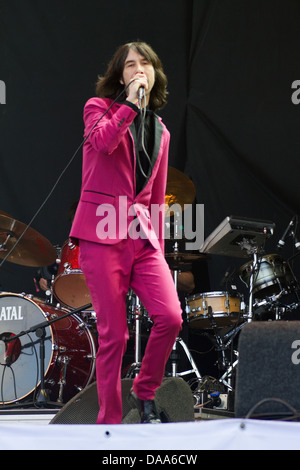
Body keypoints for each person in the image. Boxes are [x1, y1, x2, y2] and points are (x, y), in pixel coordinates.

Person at [69, 41, 183, 424]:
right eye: (130, 65)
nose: (138, 70)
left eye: (145, 64)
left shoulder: (161, 132)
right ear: (121, 76)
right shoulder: (98, 109)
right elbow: (103, 142)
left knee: (171, 316)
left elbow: (154, 198)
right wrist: (130, 104)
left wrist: (160, 252)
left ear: (154, 74)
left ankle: (144, 390)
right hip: (102, 235)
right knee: (114, 336)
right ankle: (110, 425)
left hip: (142, 237)